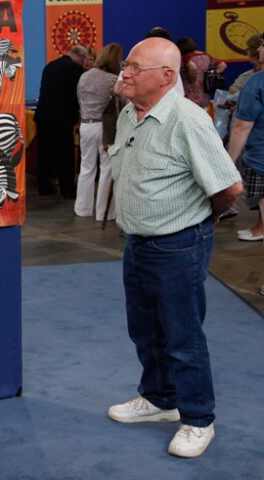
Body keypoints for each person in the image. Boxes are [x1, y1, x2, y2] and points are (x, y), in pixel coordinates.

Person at [106, 37, 242, 458]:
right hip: (138, 243)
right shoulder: (130, 112)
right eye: (125, 65)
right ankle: (160, 399)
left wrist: (205, 220)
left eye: (134, 68)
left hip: (178, 244)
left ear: (166, 77)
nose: (124, 73)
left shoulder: (188, 120)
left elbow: (229, 187)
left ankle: (198, 419)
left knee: (182, 337)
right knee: (144, 329)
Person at [74, 43, 123, 220]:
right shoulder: (113, 80)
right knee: (106, 168)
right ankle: (104, 213)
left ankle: (82, 208)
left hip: (86, 125)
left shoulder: (84, 77)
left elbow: (79, 100)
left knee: (86, 167)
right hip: (105, 126)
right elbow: (122, 103)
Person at [33, 45, 87, 198]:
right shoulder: (75, 69)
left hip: (43, 115)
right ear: (80, 59)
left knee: (44, 154)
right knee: (65, 155)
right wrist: (75, 119)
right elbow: (73, 97)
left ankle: (44, 186)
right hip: (61, 118)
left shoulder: (50, 66)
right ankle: (67, 189)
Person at [228, 35, 264, 241]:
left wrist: (229, 160)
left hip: (259, 152)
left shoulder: (256, 82)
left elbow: (242, 126)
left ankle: (261, 229)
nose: (260, 50)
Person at [176, 36, 227, 108]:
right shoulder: (206, 56)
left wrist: (193, 81)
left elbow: (193, 68)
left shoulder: (186, 57)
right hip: (204, 89)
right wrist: (211, 75)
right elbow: (222, 65)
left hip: (190, 90)